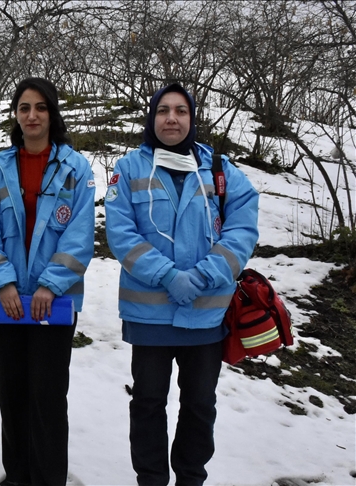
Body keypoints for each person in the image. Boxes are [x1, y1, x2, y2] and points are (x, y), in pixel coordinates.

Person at [104, 83, 259, 486]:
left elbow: (242, 231)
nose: (171, 118)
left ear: (192, 118)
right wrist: (168, 275)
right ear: (151, 117)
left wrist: (204, 275)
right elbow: (121, 233)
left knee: (199, 406)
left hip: (205, 317)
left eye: (181, 111)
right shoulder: (130, 169)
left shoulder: (219, 170)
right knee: (148, 403)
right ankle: (151, 479)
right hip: (149, 317)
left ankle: (191, 478)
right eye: (163, 110)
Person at [0, 77, 95, 486]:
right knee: (12, 394)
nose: (32, 115)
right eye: (24, 108)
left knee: (48, 396)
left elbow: (80, 235)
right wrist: (3, 284)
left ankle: (47, 478)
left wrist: (50, 285)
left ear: (52, 113)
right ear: (16, 114)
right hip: (5, 301)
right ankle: (17, 475)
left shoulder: (76, 169)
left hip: (53, 303)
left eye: (41, 107)